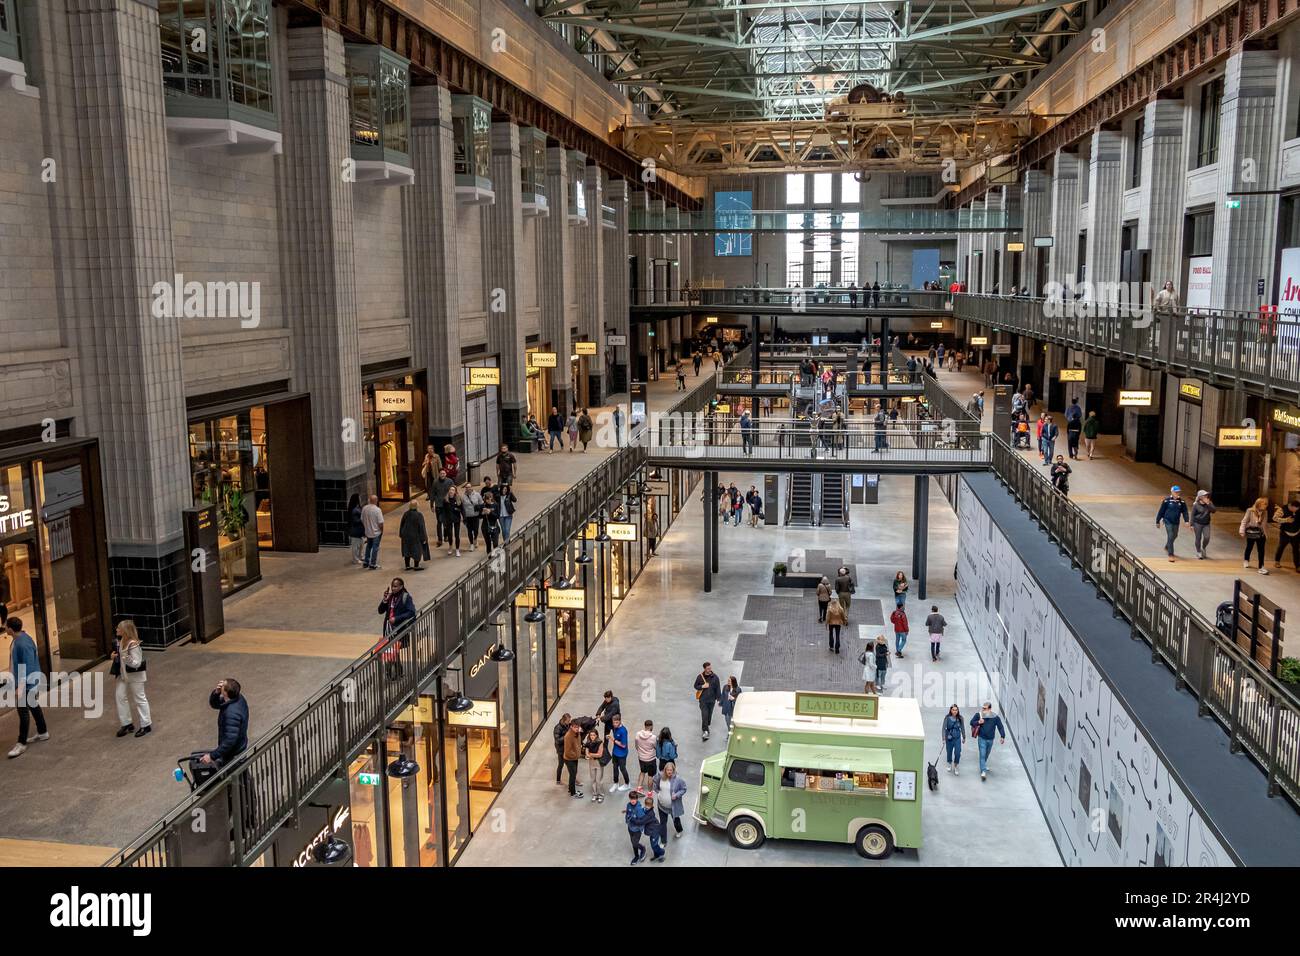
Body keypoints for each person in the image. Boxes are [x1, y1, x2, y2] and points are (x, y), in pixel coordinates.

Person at [5, 617, 48, 758]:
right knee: (34, 706)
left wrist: (20, 687)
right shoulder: (20, 638)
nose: (4, 628)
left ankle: (21, 743)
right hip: (29, 682)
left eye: (6, 626)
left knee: (23, 712)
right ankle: (42, 732)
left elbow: (26, 667)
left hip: (28, 684)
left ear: (11, 629)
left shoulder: (22, 643)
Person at [111, 620, 152, 738]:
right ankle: (127, 723)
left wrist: (126, 658)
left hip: (135, 675)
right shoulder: (121, 641)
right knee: (120, 697)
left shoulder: (133, 644)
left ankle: (146, 724)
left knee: (140, 699)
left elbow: (137, 663)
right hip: (123, 675)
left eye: (118, 628)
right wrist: (114, 656)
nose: (116, 629)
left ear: (125, 631)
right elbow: (120, 657)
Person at [198, 678, 248, 768]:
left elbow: (230, 740)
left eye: (223, 686)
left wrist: (211, 756)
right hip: (238, 749)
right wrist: (217, 693)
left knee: (234, 778)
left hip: (233, 755)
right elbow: (215, 704)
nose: (220, 685)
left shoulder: (231, 713)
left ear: (225, 693)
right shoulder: (237, 698)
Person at [377, 578, 416, 680]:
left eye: (395, 586)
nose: (393, 588)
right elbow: (380, 611)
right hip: (388, 629)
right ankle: (397, 672)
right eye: (392, 586)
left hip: (398, 628)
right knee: (392, 650)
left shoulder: (406, 597)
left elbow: (411, 612)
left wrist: (396, 618)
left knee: (393, 650)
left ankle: (391, 672)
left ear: (401, 586)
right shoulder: (390, 597)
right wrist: (384, 600)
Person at [652, 762, 688, 843]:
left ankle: (679, 830)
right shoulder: (660, 776)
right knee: (662, 824)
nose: (669, 772)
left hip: (673, 807)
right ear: (665, 770)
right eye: (667, 770)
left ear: (673, 770)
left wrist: (677, 795)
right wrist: (658, 793)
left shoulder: (678, 779)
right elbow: (655, 783)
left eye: (671, 770)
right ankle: (663, 841)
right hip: (661, 806)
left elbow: (684, 789)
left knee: (676, 820)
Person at [970, 702, 1006, 780]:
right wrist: (978, 722)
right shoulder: (978, 715)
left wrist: (1002, 736)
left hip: (990, 739)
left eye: (985, 708)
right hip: (981, 738)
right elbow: (971, 722)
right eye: (983, 708)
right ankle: (983, 771)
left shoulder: (995, 717)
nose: (983, 709)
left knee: (987, 754)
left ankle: (984, 764)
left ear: (989, 709)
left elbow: (1000, 727)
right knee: (982, 754)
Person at [1155, 485, 1190, 563]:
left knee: (1175, 535)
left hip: (1176, 522)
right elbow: (1161, 511)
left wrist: (1186, 521)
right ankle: (1171, 554)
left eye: (1178, 492)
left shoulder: (1182, 502)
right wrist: (1157, 521)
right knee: (1170, 535)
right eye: (1176, 492)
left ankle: (1168, 545)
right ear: (1172, 492)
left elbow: (1185, 512)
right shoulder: (1166, 501)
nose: (1177, 493)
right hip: (1167, 521)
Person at [1240, 497, 1270, 574]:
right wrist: (1242, 531)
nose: (1266, 505)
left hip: (1261, 533)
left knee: (1261, 550)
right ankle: (1246, 560)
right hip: (1252, 531)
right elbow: (1244, 521)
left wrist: (1266, 534)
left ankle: (1261, 566)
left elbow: (1265, 524)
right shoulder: (1250, 510)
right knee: (1249, 547)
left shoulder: (1265, 512)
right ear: (1259, 504)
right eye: (1264, 504)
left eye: (1266, 504)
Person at [693, 663, 721, 741]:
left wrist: (719, 699)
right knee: (704, 715)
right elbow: (695, 686)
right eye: (708, 668)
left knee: (709, 715)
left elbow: (718, 689)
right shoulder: (700, 677)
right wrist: (702, 686)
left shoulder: (715, 677)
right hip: (703, 700)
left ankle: (706, 724)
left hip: (712, 701)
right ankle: (705, 731)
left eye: (710, 668)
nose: (710, 670)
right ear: (704, 669)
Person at [399, 501, 429, 570]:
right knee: (417, 550)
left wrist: (401, 534)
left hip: (406, 536)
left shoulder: (406, 514)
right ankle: (416, 566)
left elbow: (402, 525)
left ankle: (407, 566)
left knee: (407, 550)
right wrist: (424, 538)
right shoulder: (419, 515)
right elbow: (421, 527)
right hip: (415, 536)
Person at [1188, 490, 1216, 560]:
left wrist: (1208, 504)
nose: (1206, 496)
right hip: (1197, 523)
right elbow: (1192, 515)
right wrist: (1191, 524)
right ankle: (1198, 552)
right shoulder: (1196, 505)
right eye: (1204, 495)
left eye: (1206, 495)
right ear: (1200, 497)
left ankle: (1203, 547)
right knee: (1198, 538)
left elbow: (1214, 511)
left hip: (1206, 524)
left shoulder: (1209, 503)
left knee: (1207, 537)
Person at [606, 713, 631, 791]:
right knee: (615, 767)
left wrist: (612, 739)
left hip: (622, 753)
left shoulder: (623, 731)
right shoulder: (614, 727)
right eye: (613, 722)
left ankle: (627, 784)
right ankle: (615, 783)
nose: (614, 724)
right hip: (615, 752)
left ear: (620, 721)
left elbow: (623, 745)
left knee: (622, 768)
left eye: (616, 722)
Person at [624, 789, 650, 864]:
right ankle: (640, 848)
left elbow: (642, 820)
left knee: (634, 843)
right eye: (631, 799)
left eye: (634, 799)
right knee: (633, 842)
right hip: (630, 828)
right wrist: (627, 820)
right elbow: (627, 813)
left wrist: (640, 828)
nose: (633, 800)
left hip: (637, 830)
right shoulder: (628, 805)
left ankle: (637, 855)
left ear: (637, 799)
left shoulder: (639, 809)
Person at [562, 718, 585, 798]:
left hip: (574, 757)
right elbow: (568, 752)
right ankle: (573, 793)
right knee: (573, 775)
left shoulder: (577, 732)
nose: (577, 729)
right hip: (569, 759)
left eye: (578, 727)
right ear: (571, 727)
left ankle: (570, 789)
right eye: (575, 727)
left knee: (574, 774)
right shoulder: (568, 736)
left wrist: (580, 732)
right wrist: (577, 755)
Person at [1274, 500, 1300, 570]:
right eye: (1293, 509)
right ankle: (1277, 561)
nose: (1295, 511)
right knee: (1281, 547)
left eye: (1297, 510)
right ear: (1290, 505)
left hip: (1296, 533)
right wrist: (1286, 520)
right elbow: (1275, 518)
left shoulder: (1298, 509)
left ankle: (1297, 565)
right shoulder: (1282, 509)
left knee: (1296, 550)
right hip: (1285, 533)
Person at [361, 494, 384, 570]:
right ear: (376, 501)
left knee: (368, 547)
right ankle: (373, 564)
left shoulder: (364, 508)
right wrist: (382, 530)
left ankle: (366, 562)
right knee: (375, 548)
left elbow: (362, 519)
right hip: (376, 532)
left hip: (368, 531)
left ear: (369, 500)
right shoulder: (377, 510)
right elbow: (380, 523)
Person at [438, 484, 462, 557]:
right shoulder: (445, 500)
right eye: (450, 490)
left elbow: (462, 509)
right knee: (450, 534)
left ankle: (457, 549)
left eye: (453, 490)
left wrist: (458, 511)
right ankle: (450, 547)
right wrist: (443, 520)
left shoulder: (458, 499)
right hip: (448, 519)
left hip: (456, 519)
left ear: (455, 492)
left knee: (457, 535)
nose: (451, 491)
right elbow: (443, 511)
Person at [583, 728, 605, 803]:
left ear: (597, 735)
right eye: (591, 735)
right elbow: (586, 753)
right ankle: (595, 794)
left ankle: (600, 795)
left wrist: (590, 754)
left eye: (594, 735)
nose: (592, 736)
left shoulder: (600, 742)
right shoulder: (588, 742)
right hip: (591, 763)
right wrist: (590, 755)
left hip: (598, 764)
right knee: (593, 780)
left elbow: (600, 754)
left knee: (598, 780)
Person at [634, 719, 658, 791]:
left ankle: (639, 788)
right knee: (650, 775)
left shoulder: (638, 734)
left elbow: (636, 746)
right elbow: (656, 747)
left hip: (641, 758)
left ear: (644, 726)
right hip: (650, 759)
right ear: (651, 726)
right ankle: (650, 791)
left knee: (642, 772)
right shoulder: (653, 737)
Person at [942, 704, 965, 775]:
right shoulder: (947, 718)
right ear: (951, 710)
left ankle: (956, 765)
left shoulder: (960, 718)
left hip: (957, 737)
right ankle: (949, 762)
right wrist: (943, 738)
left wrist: (964, 737)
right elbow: (943, 728)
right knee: (949, 751)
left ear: (958, 710)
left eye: (956, 710)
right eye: (953, 710)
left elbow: (962, 728)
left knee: (958, 752)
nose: (955, 711)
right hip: (949, 738)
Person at [460, 482, 483, 551]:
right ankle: (471, 544)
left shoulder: (477, 495)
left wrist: (480, 511)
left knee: (475, 530)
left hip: (475, 516)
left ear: (471, 487)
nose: (468, 488)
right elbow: (462, 507)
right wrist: (463, 517)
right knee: (469, 531)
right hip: (467, 516)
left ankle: (475, 538)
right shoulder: (463, 496)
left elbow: (481, 503)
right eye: (466, 487)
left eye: (469, 487)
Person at [552, 712, 572, 786]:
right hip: (561, 749)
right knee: (561, 765)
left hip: (567, 748)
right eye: (568, 721)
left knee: (570, 765)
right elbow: (557, 740)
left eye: (570, 721)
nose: (569, 722)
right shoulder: (558, 728)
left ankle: (573, 778)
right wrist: (567, 736)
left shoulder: (567, 725)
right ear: (564, 720)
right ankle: (558, 780)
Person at [347, 493, 366, 566]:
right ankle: (355, 559)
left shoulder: (357, 508)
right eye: (359, 498)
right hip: (355, 530)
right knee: (355, 546)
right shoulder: (354, 510)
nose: (360, 499)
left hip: (360, 529)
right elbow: (355, 521)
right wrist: (363, 519)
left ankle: (360, 556)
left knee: (361, 543)